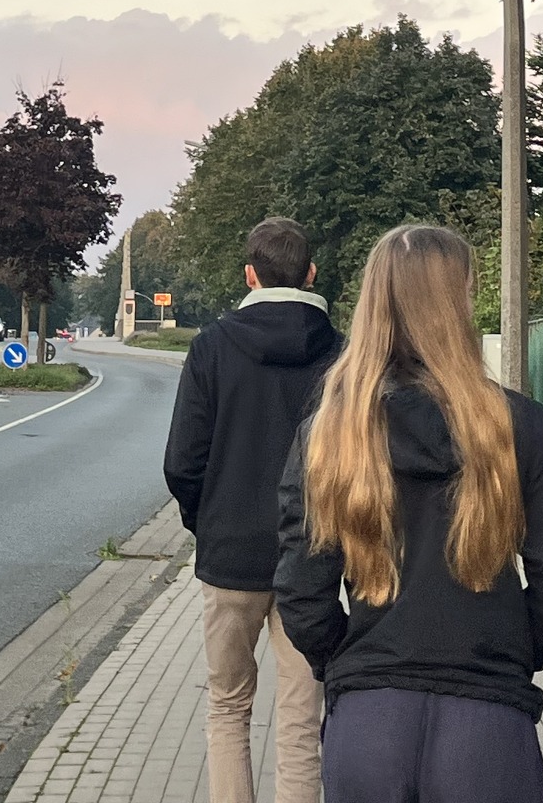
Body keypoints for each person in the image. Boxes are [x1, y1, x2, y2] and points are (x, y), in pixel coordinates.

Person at [276, 224, 543, 803]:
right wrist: (514, 650)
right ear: (456, 306)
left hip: (368, 722)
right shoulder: (515, 425)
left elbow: (299, 588)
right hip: (487, 721)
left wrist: (348, 660)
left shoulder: (328, 435)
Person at [163, 216, 341, 803]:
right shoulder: (341, 353)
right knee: (301, 718)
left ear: (249, 275)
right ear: (310, 273)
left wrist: (210, 522)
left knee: (227, 706)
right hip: (312, 557)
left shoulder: (212, 347)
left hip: (230, 554)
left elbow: (182, 462)